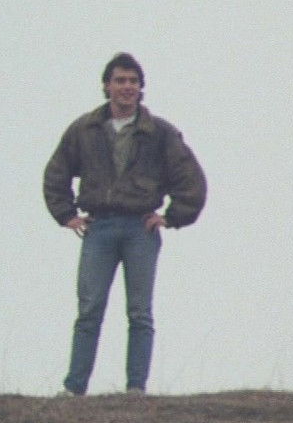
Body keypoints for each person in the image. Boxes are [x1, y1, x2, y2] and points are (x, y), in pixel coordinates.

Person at [43, 53, 206, 396]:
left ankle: (136, 390)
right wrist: (66, 214)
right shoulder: (84, 130)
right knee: (89, 311)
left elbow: (189, 178)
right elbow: (56, 173)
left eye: (133, 81)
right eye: (120, 80)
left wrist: (172, 217)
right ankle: (74, 389)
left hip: (140, 229)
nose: (127, 87)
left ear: (141, 88)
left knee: (139, 312)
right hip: (98, 229)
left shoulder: (159, 133)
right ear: (107, 86)